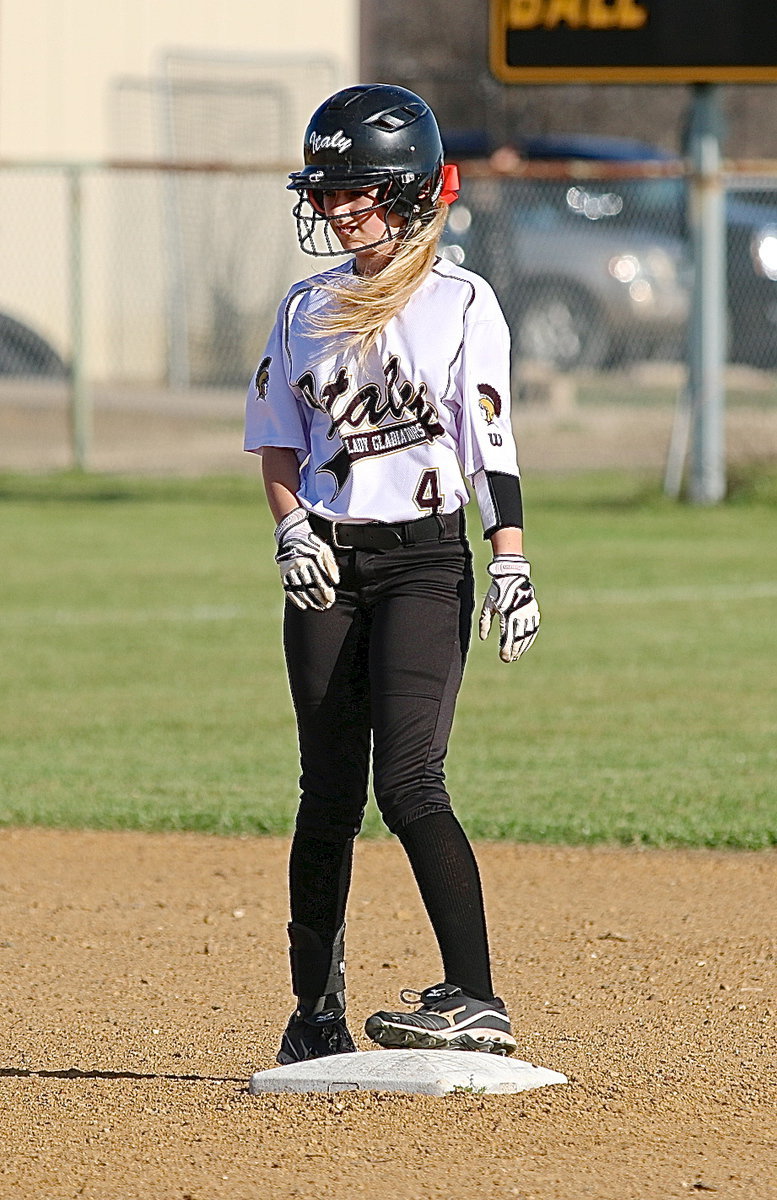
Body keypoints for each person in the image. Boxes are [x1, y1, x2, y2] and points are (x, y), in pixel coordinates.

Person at [244, 84, 540, 1065]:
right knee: (325, 793)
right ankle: (312, 1016)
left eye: (356, 192)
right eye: (325, 193)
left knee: (409, 780)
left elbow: (488, 440)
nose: (334, 210)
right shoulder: (304, 308)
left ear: (412, 194)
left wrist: (512, 560)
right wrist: (291, 532)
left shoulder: (460, 302)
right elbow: (279, 444)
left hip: (423, 564)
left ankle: (478, 997)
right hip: (328, 559)